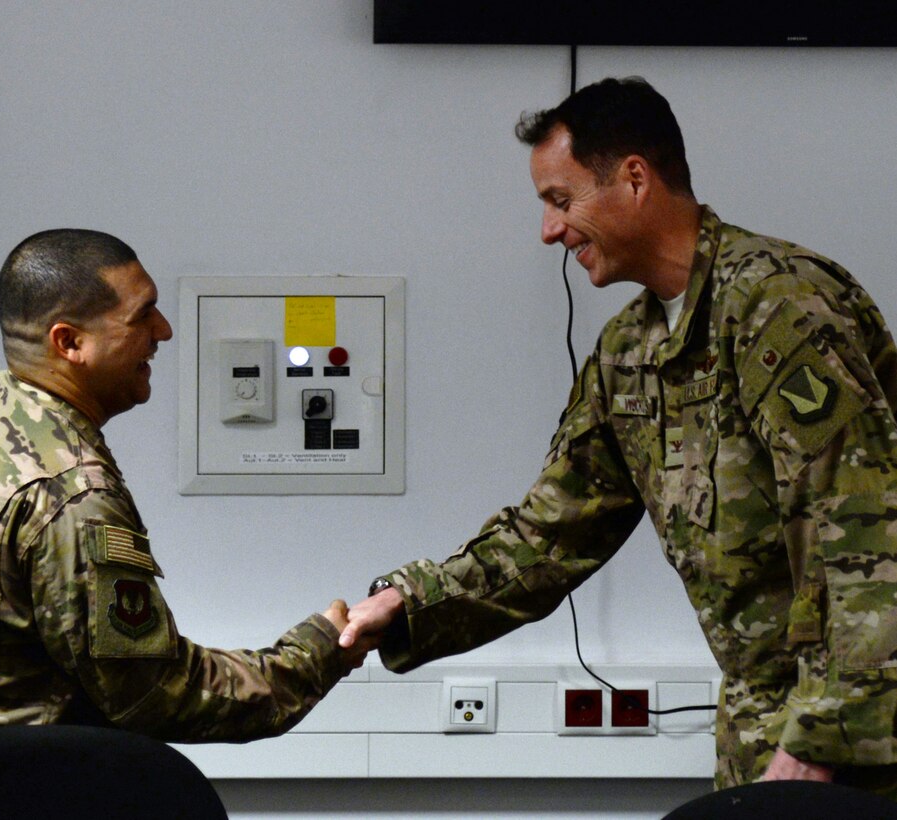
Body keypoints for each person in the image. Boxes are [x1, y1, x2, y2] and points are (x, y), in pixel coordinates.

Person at [340, 77, 897, 796]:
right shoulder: (627, 351)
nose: (548, 231)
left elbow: (864, 533)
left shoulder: (777, 307)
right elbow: (550, 534)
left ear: (633, 179)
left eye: (559, 200)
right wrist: (407, 605)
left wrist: (827, 734)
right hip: (763, 732)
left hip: (855, 744)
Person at [0, 229, 373, 749]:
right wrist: (319, 650)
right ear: (70, 343)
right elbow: (156, 696)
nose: (165, 331)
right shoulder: (72, 495)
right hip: (9, 786)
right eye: (143, 316)